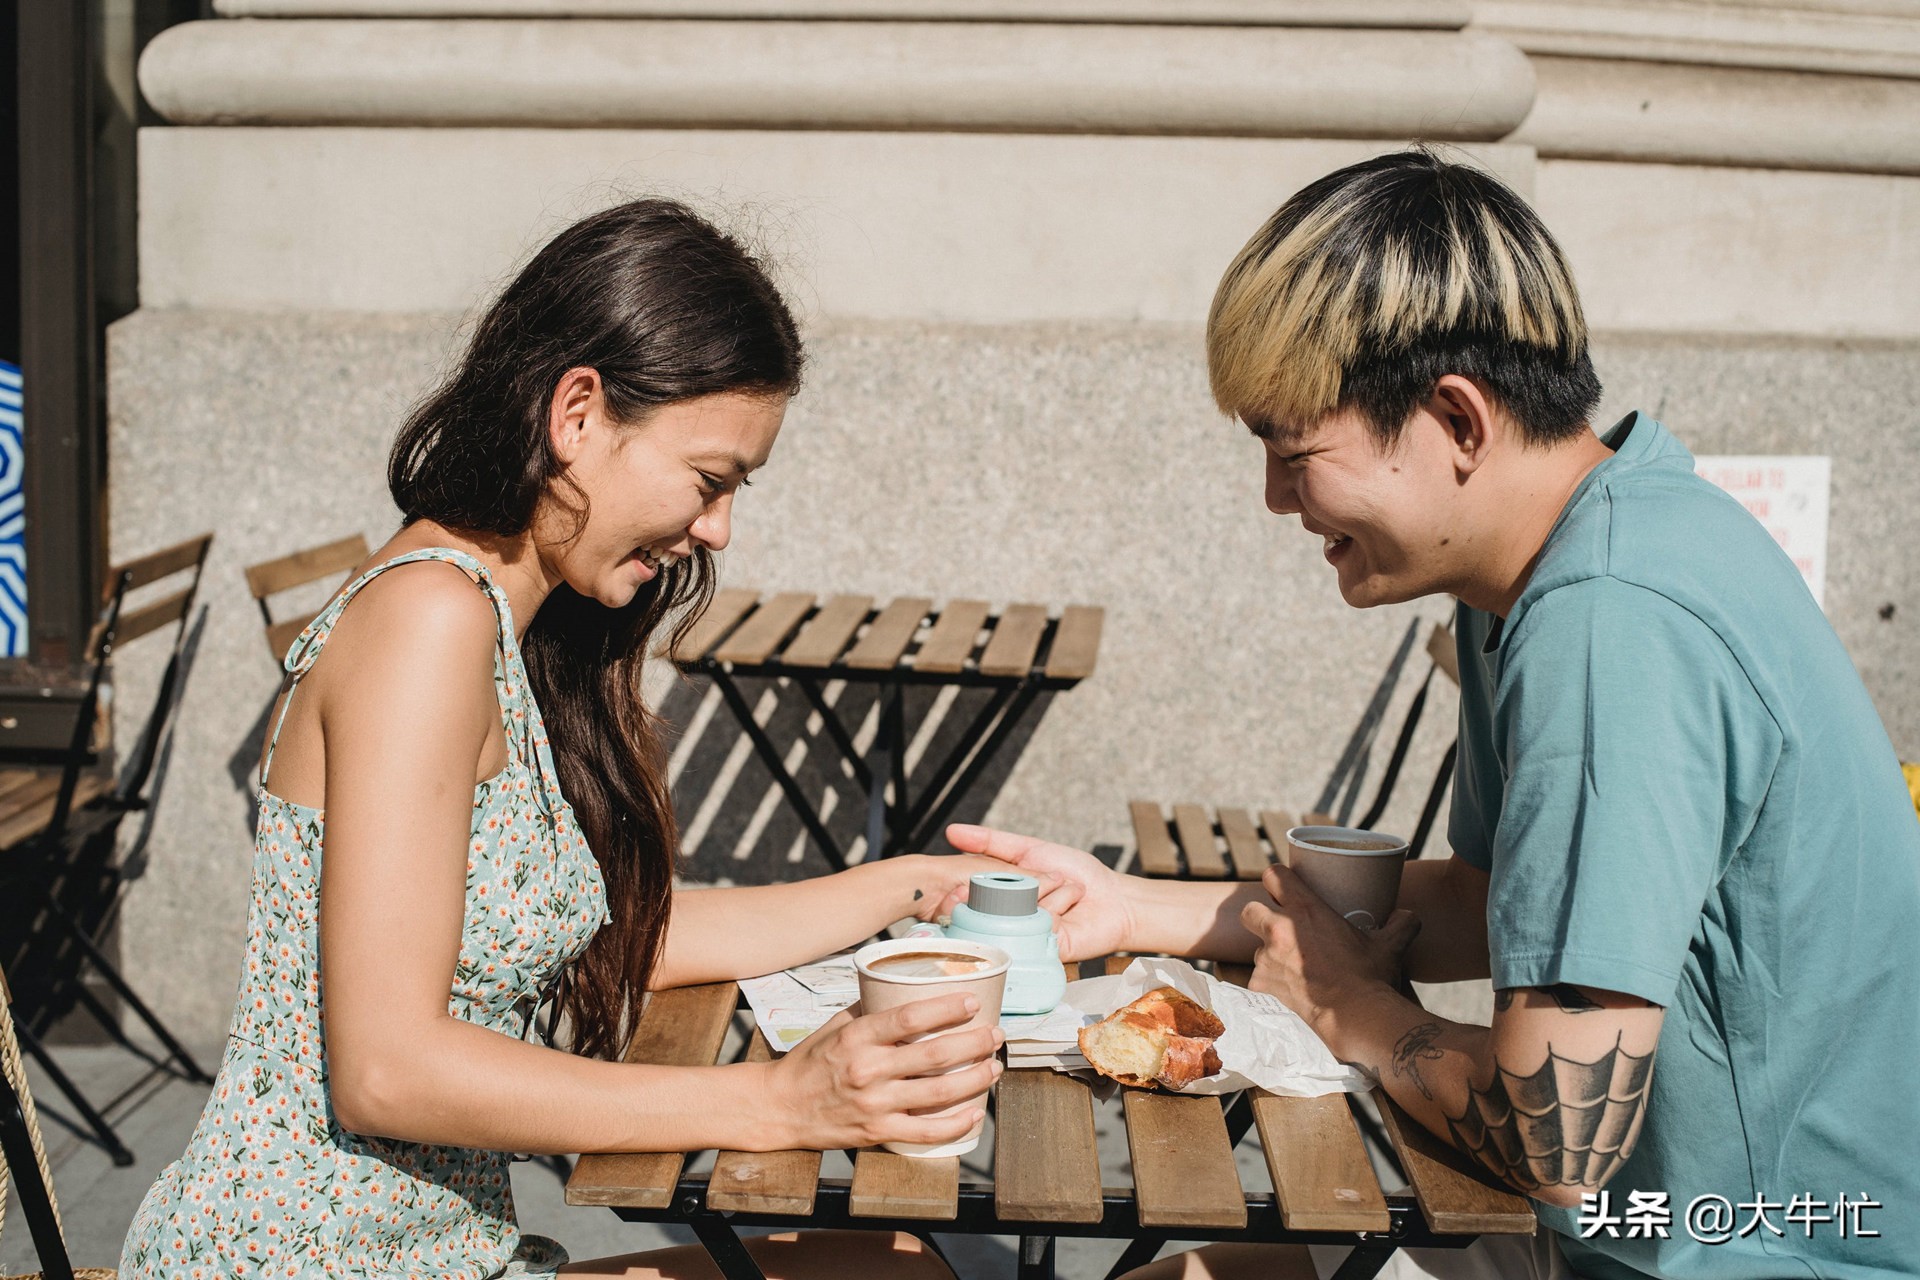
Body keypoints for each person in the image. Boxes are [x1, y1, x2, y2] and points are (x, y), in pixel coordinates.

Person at [949, 149, 1920, 1279]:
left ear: (1458, 418)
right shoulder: (1589, 540)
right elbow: (1488, 900)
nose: (1275, 497)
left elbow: (1559, 1140)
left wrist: (1353, 1008)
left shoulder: (1611, 621)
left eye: (1293, 451)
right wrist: (1127, 906)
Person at [121, 199, 1038, 1279]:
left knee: (890, 1262)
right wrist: (777, 1100)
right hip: (301, 1261)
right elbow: (387, 1066)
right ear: (578, 414)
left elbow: (618, 933)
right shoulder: (431, 619)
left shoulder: (511, 628)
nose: (717, 529)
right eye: (710, 479)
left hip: (430, 1255)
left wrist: (914, 887)